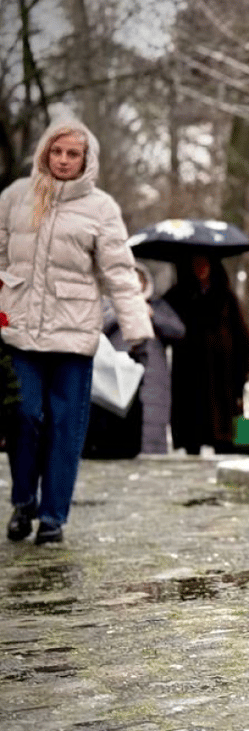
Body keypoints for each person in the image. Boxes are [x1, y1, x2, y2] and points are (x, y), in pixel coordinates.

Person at [1, 118, 153, 544]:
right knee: (25, 417)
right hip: (21, 333)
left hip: (74, 336)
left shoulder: (101, 208)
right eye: (57, 152)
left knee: (66, 426)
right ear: (45, 152)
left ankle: (53, 516)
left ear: (87, 161)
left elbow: (120, 273)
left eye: (73, 154)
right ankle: (23, 502)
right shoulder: (15, 197)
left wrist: (136, 332)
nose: (64, 160)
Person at [164, 253, 249, 455]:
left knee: (222, 429)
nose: (201, 269)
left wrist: (241, 374)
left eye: (205, 264)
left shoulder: (225, 297)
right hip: (189, 372)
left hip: (221, 373)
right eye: (196, 264)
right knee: (192, 428)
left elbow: (241, 338)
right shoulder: (179, 296)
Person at [98, 261, 184, 455]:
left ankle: (152, 454)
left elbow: (178, 331)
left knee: (152, 420)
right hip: (118, 373)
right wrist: (123, 313)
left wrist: (152, 316)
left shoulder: (158, 305)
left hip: (154, 379)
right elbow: (98, 327)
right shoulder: (108, 304)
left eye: (140, 281)